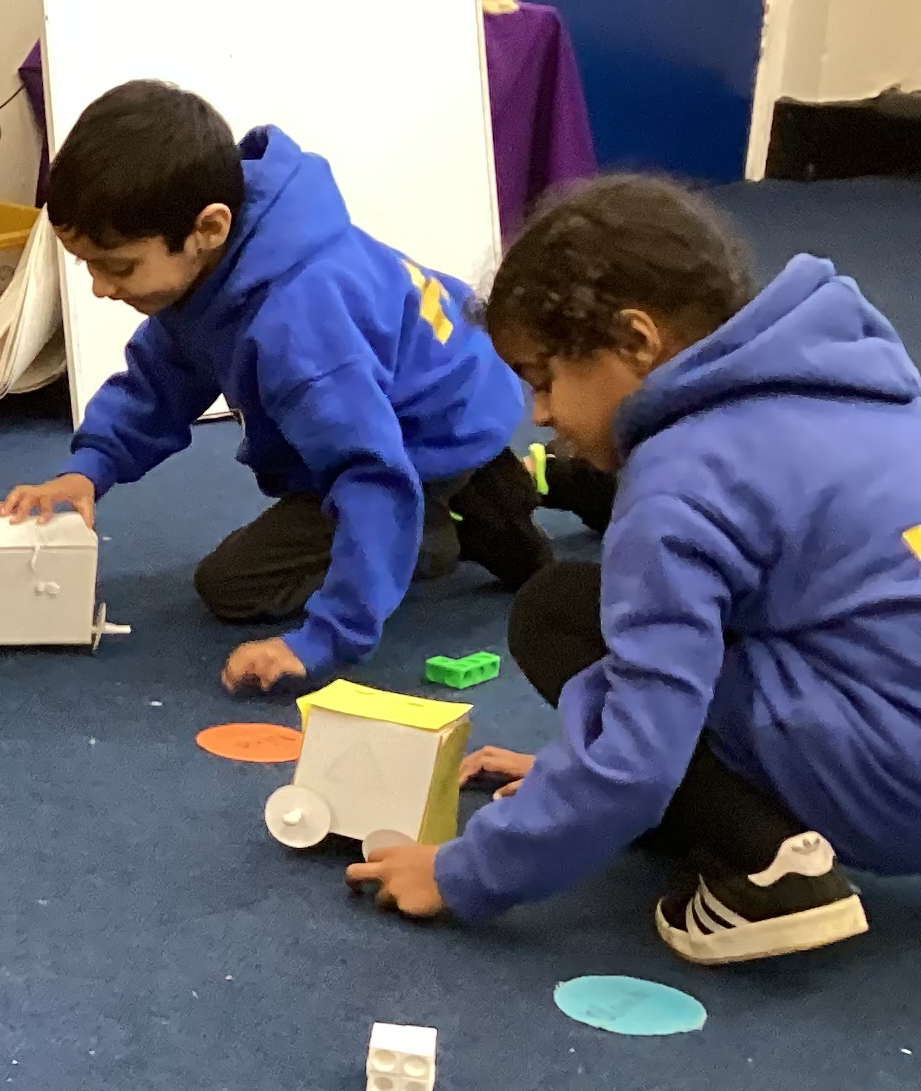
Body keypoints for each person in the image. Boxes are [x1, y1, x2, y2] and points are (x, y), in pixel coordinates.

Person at [350, 177, 921, 963]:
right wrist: (569, 768)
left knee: (560, 614)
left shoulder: (679, 482)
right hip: (891, 722)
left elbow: (639, 757)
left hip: (889, 784)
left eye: (544, 378)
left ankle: (771, 873)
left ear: (635, 341)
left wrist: (462, 872)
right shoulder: (860, 378)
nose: (540, 414)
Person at [0, 81, 548, 695]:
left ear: (208, 227)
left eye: (118, 266)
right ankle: (477, 486)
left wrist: (325, 639)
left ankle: (439, 524)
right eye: (88, 265)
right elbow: (160, 380)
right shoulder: (233, 246)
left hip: (426, 432)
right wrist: (90, 468)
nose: (100, 288)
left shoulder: (298, 326)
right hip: (444, 388)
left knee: (232, 587)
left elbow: (369, 472)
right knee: (323, 465)